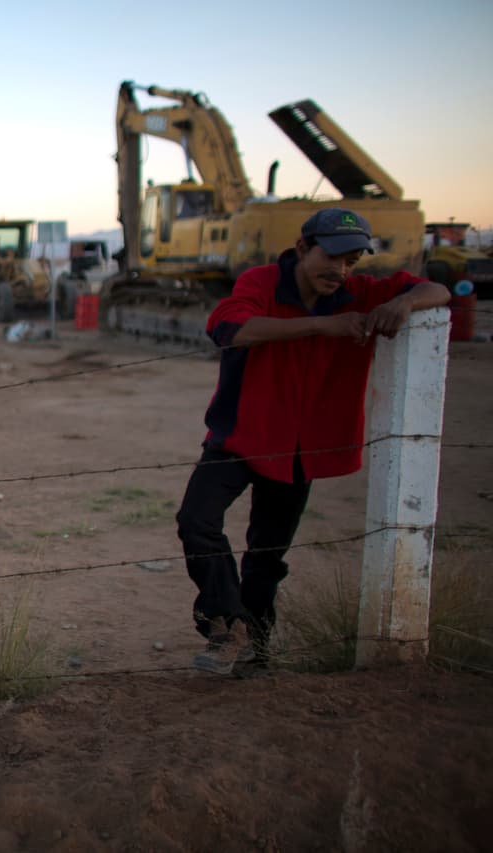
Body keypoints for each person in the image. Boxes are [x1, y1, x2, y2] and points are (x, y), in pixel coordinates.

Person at [175, 208, 450, 675]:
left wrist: (403, 304)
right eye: (333, 257)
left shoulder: (358, 292)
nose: (341, 270)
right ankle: (228, 624)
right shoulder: (261, 283)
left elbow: (437, 289)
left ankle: (254, 654)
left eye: (353, 260)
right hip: (241, 433)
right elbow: (233, 329)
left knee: (266, 556)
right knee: (196, 521)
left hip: (301, 448)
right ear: (302, 249)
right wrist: (329, 325)